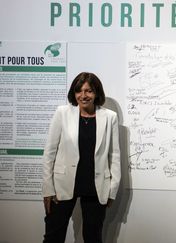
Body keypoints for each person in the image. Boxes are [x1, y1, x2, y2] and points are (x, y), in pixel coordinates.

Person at [42, 72, 121, 243]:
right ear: (74, 92)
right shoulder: (62, 113)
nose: (83, 96)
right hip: (62, 185)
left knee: (93, 238)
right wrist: (47, 188)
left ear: (97, 93)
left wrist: (112, 190)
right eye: (79, 91)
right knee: (53, 237)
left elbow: (114, 155)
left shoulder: (110, 117)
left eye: (89, 91)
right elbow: (49, 152)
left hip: (96, 186)